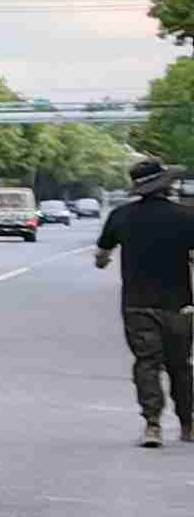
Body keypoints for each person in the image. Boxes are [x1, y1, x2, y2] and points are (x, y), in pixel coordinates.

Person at [94, 157, 194, 445]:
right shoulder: (186, 216)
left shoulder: (121, 216)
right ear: (166, 186)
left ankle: (153, 425)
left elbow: (101, 257)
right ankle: (188, 424)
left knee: (147, 362)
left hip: (137, 303)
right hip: (179, 305)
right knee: (180, 365)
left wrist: (107, 257)